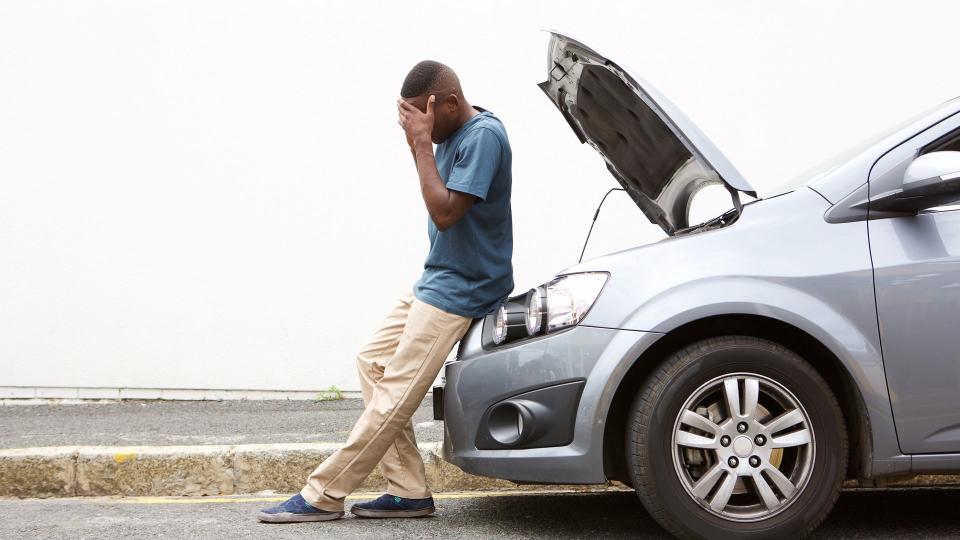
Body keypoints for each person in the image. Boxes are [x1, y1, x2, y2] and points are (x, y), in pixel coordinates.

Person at [257, 60, 514, 523]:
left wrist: (419, 145)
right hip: (438, 278)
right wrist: (422, 139)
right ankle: (409, 490)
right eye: (410, 119)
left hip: (464, 288)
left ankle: (323, 493)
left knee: (394, 391)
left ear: (449, 103)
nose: (418, 127)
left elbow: (446, 213)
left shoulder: (483, 137)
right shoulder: (455, 133)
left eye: (423, 116)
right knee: (371, 361)